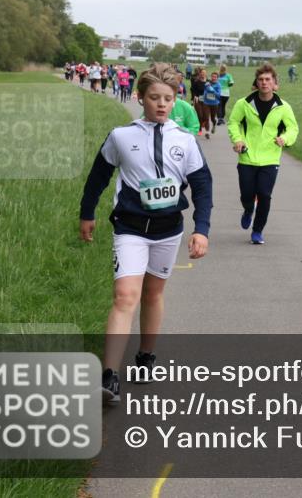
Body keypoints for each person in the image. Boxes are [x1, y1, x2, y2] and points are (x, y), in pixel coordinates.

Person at [78, 62, 212, 405]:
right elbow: (98, 177)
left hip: (168, 230)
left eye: (168, 98)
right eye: (154, 97)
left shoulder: (185, 141)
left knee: (153, 294)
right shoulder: (121, 136)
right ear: (141, 98)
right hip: (130, 228)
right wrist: (87, 213)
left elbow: (202, 186)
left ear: (175, 99)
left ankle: (146, 356)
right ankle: (109, 377)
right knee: (125, 296)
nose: (162, 104)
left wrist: (202, 230)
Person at [226, 63, 299, 245]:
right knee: (247, 194)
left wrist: (285, 139)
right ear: (256, 83)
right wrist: (238, 140)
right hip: (247, 157)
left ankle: (257, 231)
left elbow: (293, 128)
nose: (264, 82)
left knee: (265, 195)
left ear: (275, 83)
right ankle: (248, 209)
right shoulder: (243, 104)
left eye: (268, 79)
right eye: (261, 79)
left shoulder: (283, 107)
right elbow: (233, 123)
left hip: (270, 158)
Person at [169, 72, 200, 136]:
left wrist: (180, 131)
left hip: (181, 98)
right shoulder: (152, 108)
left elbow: (194, 128)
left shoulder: (186, 107)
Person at [190, 68, 211, 137]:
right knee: (200, 115)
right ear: (200, 74)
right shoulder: (196, 82)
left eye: (204, 73)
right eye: (202, 73)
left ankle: (207, 132)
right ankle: (200, 130)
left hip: (207, 101)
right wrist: (193, 98)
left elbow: (212, 91)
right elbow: (192, 90)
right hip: (198, 100)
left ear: (206, 74)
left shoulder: (208, 82)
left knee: (206, 116)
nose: (203, 74)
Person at [201, 72, 222, 138]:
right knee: (206, 118)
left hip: (214, 104)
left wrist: (213, 91)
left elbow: (219, 96)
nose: (213, 78)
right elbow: (204, 90)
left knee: (213, 118)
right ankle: (207, 132)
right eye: (212, 76)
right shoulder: (207, 83)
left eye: (215, 77)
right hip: (206, 103)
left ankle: (214, 124)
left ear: (217, 78)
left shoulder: (218, 85)